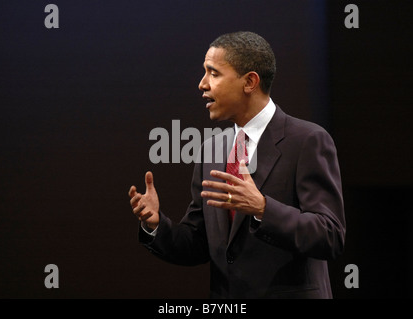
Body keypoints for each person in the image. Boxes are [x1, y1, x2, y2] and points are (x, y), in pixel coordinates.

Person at [128, 31, 346, 299]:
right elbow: (197, 243)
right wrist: (156, 225)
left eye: (214, 73)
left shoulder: (307, 140)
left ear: (250, 82)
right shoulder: (212, 149)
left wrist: (264, 209)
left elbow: (330, 235)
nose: (202, 84)